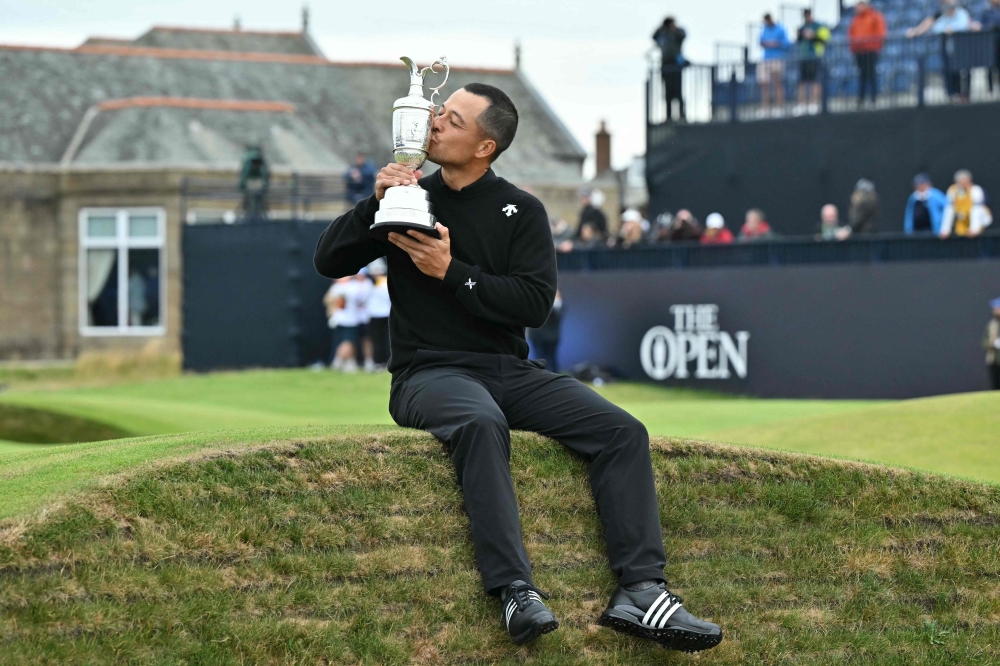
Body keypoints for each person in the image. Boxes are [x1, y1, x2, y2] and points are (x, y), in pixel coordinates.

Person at [313, 81, 722, 652]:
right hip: (426, 374)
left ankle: (642, 591)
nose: (434, 124)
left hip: (509, 370)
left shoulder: (522, 210)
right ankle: (513, 590)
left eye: (452, 120)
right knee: (481, 423)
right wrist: (373, 202)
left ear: (485, 146)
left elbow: (532, 303)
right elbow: (328, 260)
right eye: (438, 113)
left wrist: (451, 270)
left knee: (622, 432)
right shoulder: (407, 197)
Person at [907, 1, 974, 102]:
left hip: (963, 49)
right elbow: (932, 25)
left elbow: (967, 25)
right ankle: (952, 95)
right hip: (949, 50)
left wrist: (954, 30)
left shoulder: (963, 12)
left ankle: (965, 96)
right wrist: (915, 31)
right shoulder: (941, 15)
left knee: (964, 73)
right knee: (950, 72)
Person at [848, 1, 887, 106]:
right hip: (859, 52)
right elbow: (851, 34)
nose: (857, 7)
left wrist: (874, 46)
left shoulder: (875, 16)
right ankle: (861, 99)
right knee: (862, 76)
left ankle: (874, 99)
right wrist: (854, 47)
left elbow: (880, 33)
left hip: (871, 51)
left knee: (871, 75)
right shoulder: (856, 19)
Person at [796, 9, 831, 115]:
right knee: (802, 81)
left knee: (815, 81)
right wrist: (801, 34)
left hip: (815, 56)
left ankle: (813, 104)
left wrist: (813, 36)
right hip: (804, 57)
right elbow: (798, 41)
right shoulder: (802, 28)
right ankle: (801, 105)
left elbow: (825, 39)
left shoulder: (820, 26)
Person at [323, 276, 362, 372]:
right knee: (347, 341)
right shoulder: (338, 287)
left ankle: (350, 362)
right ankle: (337, 360)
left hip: (350, 319)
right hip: (343, 319)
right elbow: (327, 301)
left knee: (350, 342)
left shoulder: (351, 286)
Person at [652, 17, 687, 122]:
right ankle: (668, 116)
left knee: (678, 92)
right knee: (668, 93)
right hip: (666, 65)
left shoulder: (677, 34)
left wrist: (674, 29)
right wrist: (662, 27)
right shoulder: (663, 35)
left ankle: (681, 114)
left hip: (676, 66)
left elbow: (683, 34)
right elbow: (654, 37)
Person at [941, 169, 993, 238]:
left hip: (980, 219)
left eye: (966, 180)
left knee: (976, 209)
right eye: (961, 180)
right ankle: (945, 231)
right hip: (962, 218)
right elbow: (950, 206)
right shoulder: (952, 190)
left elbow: (979, 205)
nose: (964, 183)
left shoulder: (975, 189)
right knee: (949, 209)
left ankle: (974, 230)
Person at [759, 14, 791, 116]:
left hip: (777, 59)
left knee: (777, 83)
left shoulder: (781, 29)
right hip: (765, 59)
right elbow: (761, 42)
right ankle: (765, 109)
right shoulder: (764, 30)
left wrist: (775, 43)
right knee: (764, 84)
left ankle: (779, 108)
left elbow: (786, 44)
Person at [527, 289, 563, 373]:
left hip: (551, 338)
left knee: (551, 360)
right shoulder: (534, 303)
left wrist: (554, 302)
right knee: (539, 359)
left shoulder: (558, 305)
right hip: (537, 336)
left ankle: (553, 379)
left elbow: (555, 316)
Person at [365, 258, 391, 369]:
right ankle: (378, 362)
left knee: (385, 340)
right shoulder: (368, 284)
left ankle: (385, 361)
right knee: (377, 340)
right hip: (375, 315)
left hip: (384, 314)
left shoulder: (383, 283)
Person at [985, 297, 1000, 390]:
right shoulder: (992, 324)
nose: (996, 310)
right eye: (995, 308)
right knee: (996, 385)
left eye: (998, 308)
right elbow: (984, 342)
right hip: (994, 360)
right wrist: (993, 343)